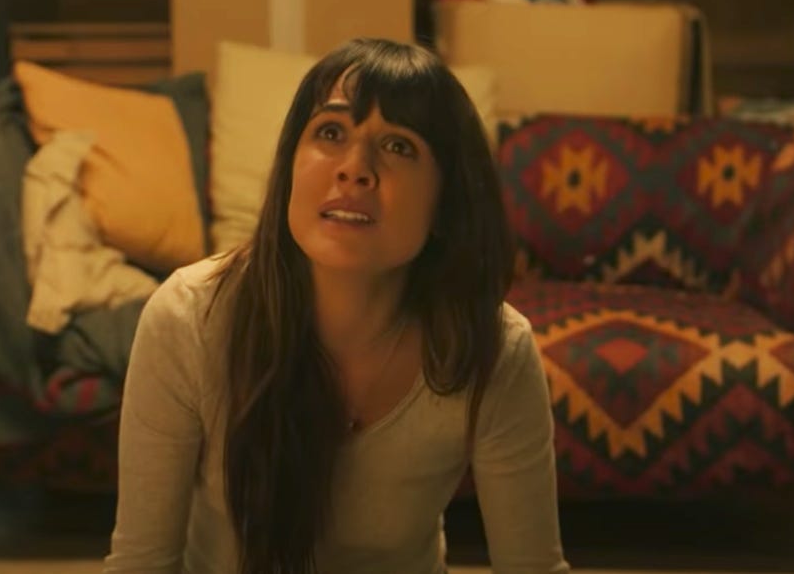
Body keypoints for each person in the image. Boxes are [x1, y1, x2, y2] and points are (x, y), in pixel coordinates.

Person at [104, 38, 569, 573]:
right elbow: (140, 562)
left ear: (447, 202)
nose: (354, 169)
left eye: (398, 146)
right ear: (289, 168)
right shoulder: (189, 318)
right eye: (330, 133)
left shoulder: (491, 348)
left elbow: (533, 566)